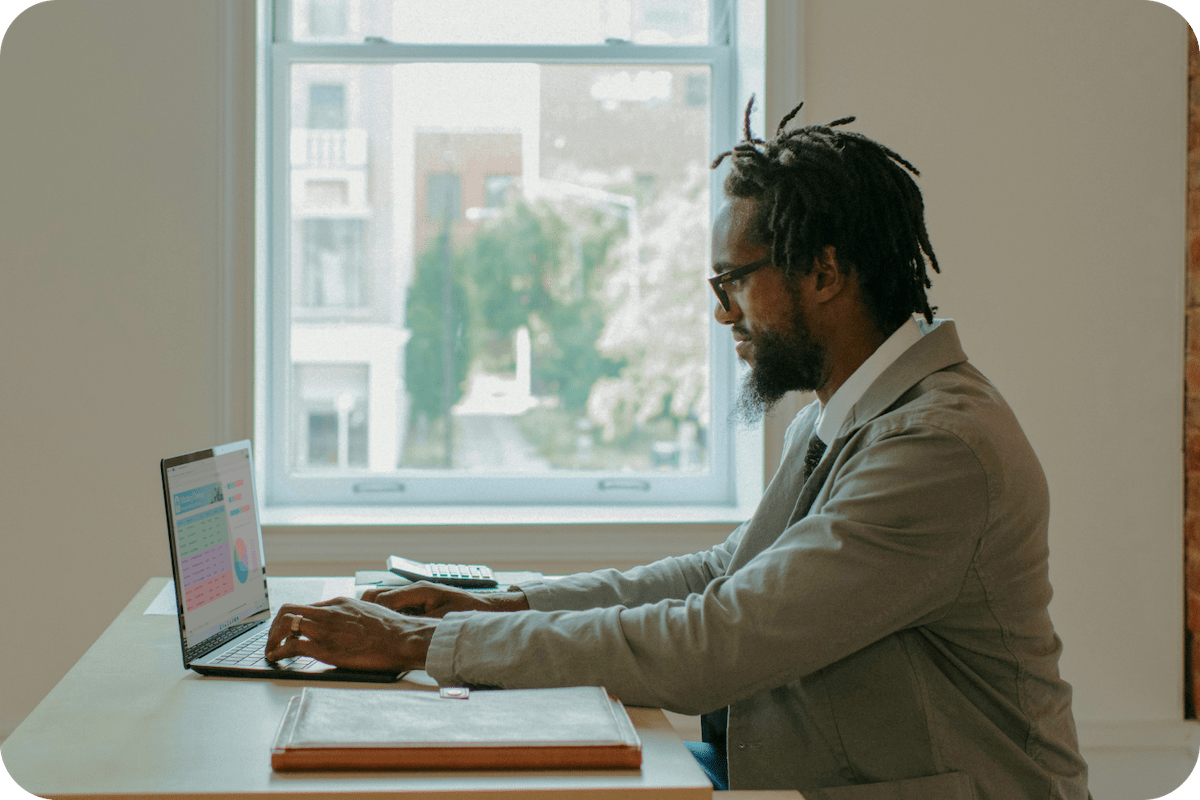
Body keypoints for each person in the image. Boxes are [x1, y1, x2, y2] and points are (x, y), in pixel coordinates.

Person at [265, 99, 1089, 800]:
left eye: (734, 281)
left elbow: (717, 639)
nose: (724, 312)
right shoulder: (843, 417)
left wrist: (419, 646)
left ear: (826, 274)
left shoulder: (938, 450)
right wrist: (503, 606)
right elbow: (722, 575)